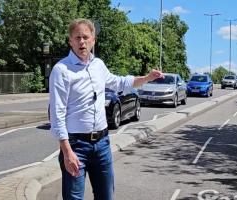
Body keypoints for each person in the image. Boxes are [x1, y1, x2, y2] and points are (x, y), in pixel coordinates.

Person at [49, 18, 164, 200]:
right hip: (76, 145)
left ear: (93, 40)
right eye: (77, 37)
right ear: (70, 41)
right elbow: (57, 115)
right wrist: (67, 151)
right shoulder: (61, 70)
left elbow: (119, 82)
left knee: (106, 196)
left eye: (86, 37)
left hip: (102, 144)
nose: (82, 42)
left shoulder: (98, 65)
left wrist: (147, 78)